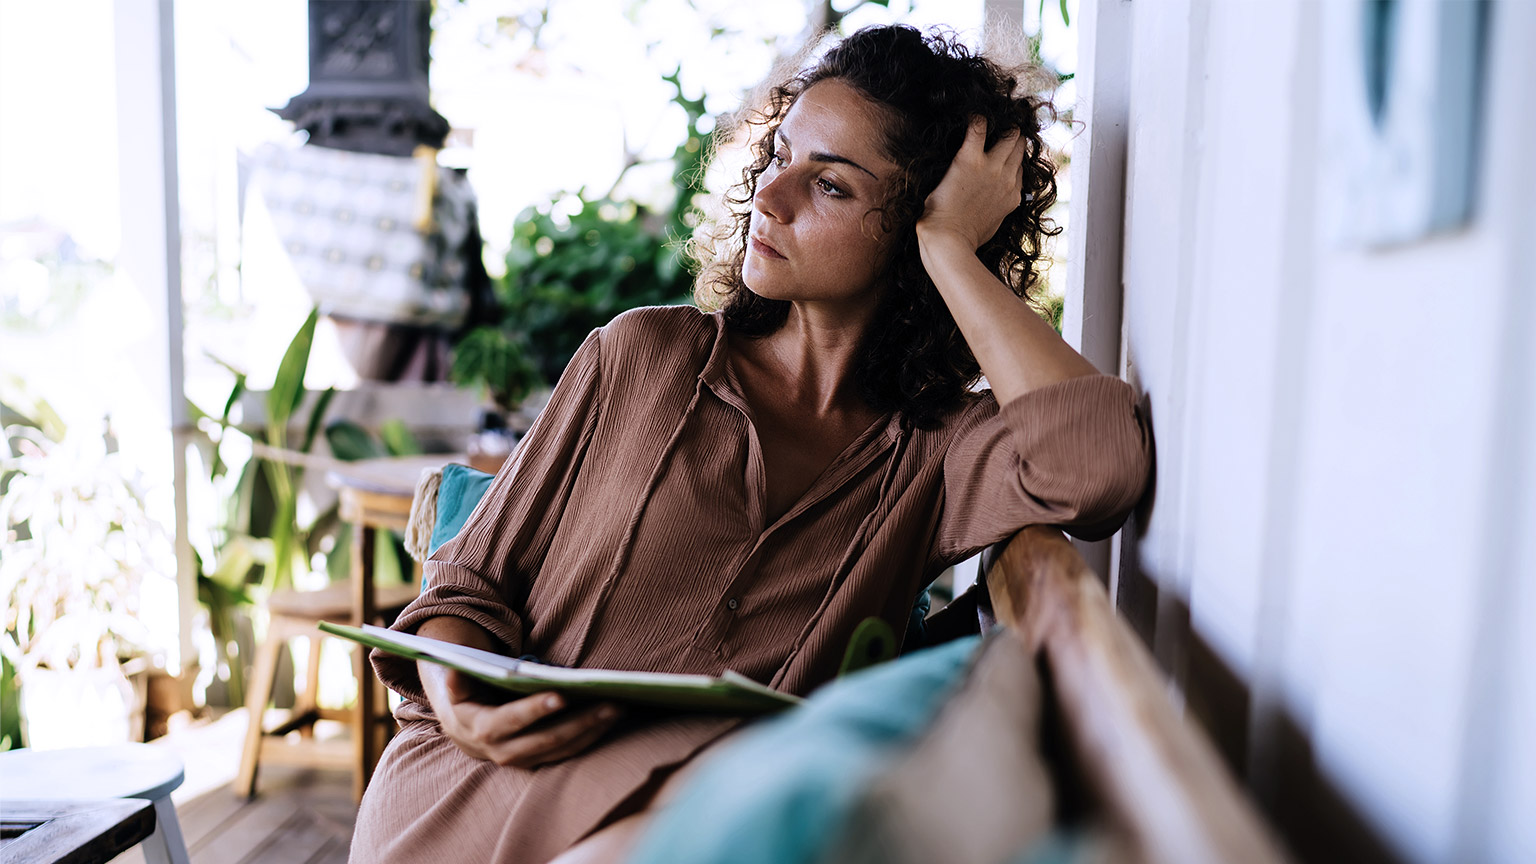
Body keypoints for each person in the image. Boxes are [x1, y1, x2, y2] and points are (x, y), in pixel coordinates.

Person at [350, 24, 1150, 864]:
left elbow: (1098, 467)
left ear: (915, 223)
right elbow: (465, 588)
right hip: (474, 782)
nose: (771, 196)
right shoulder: (640, 356)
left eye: (831, 186)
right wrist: (464, 705)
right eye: (780, 156)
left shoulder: (939, 450)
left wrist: (952, 252)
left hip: (691, 827)